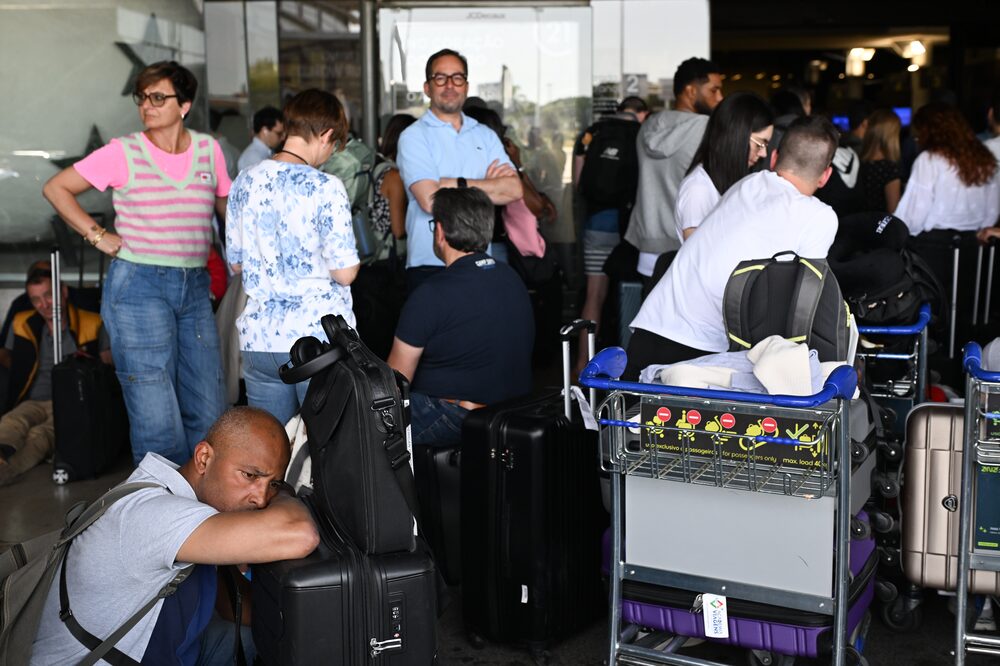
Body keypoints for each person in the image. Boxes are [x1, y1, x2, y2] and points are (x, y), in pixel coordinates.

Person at [42, 60, 231, 466]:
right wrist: (97, 235)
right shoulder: (123, 151)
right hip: (138, 287)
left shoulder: (208, 150)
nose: (147, 105)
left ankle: (206, 500)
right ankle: (161, 502)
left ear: (185, 105)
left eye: (158, 97)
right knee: (154, 410)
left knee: (209, 405)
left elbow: (227, 213)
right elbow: (56, 188)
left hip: (195, 285)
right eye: (142, 97)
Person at [30, 406, 319, 665]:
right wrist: (285, 492)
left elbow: (231, 607)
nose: (261, 498)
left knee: (286, 642)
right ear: (204, 458)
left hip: (163, 649)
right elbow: (300, 533)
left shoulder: (179, 495)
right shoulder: (159, 515)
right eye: (250, 476)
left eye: (273, 483)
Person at [625, 116, 841, 380]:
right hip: (702, 354)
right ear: (826, 175)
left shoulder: (746, 185)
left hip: (652, 327)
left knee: (623, 407)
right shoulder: (819, 216)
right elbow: (806, 300)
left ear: (774, 157)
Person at [226, 89, 360, 426]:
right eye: (334, 145)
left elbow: (237, 264)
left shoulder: (244, 180)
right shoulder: (326, 186)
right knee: (324, 446)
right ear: (326, 134)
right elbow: (344, 273)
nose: (329, 153)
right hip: (315, 343)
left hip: (260, 341)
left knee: (269, 446)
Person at [387, 187, 533, 446]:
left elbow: (395, 383)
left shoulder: (431, 294)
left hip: (457, 418)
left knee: (370, 414)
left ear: (440, 231)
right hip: (513, 410)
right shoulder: (512, 277)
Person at [396, 48, 522, 293]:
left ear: (466, 86)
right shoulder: (413, 136)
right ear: (427, 87)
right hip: (429, 263)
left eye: (457, 78)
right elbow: (429, 200)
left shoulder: (485, 135)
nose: (450, 85)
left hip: (479, 260)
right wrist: (488, 186)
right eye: (440, 78)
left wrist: (450, 183)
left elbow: (514, 190)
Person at [0, 266, 110, 486]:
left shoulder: (92, 322)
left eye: (49, 295)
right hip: (34, 400)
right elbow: (6, 357)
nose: (45, 304)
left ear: (63, 292)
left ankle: (5, 472)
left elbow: (107, 366)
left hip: (71, 405)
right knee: (12, 421)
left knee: (40, 436)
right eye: (36, 299)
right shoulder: (22, 323)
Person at [624, 57, 723, 280]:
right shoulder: (707, 129)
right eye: (714, 90)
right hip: (689, 243)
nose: (719, 98)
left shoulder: (648, 126)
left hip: (647, 247)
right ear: (691, 91)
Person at [572, 96, 648, 372]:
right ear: (642, 113)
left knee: (594, 296)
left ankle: (582, 364)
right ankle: (631, 369)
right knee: (634, 294)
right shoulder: (643, 135)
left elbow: (579, 183)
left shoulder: (593, 133)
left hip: (598, 224)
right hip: (631, 228)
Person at [674, 91, 775, 242]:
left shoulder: (729, 181)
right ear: (736, 136)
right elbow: (700, 254)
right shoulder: (698, 191)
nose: (763, 154)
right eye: (760, 144)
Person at [894, 102, 999, 236]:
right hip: (973, 241)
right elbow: (992, 210)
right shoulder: (984, 158)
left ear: (928, 132)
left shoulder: (929, 159)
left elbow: (914, 215)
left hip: (934, 240)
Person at [371, 113, 418, 247]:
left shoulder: (379, 166)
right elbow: (398, 230)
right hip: (389, 253)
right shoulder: (394, 176)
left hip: (376, 248)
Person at [859, 108, 903, 213]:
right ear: (892, 136)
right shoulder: (890, 169)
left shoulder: (858, 163)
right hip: (880, 222)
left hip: (859, 221)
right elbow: (893, 211)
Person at [237, 106, 285, 172]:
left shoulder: (265, 152)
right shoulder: (252, 157)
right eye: (279, 134)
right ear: (265, 131)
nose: (283, 138)